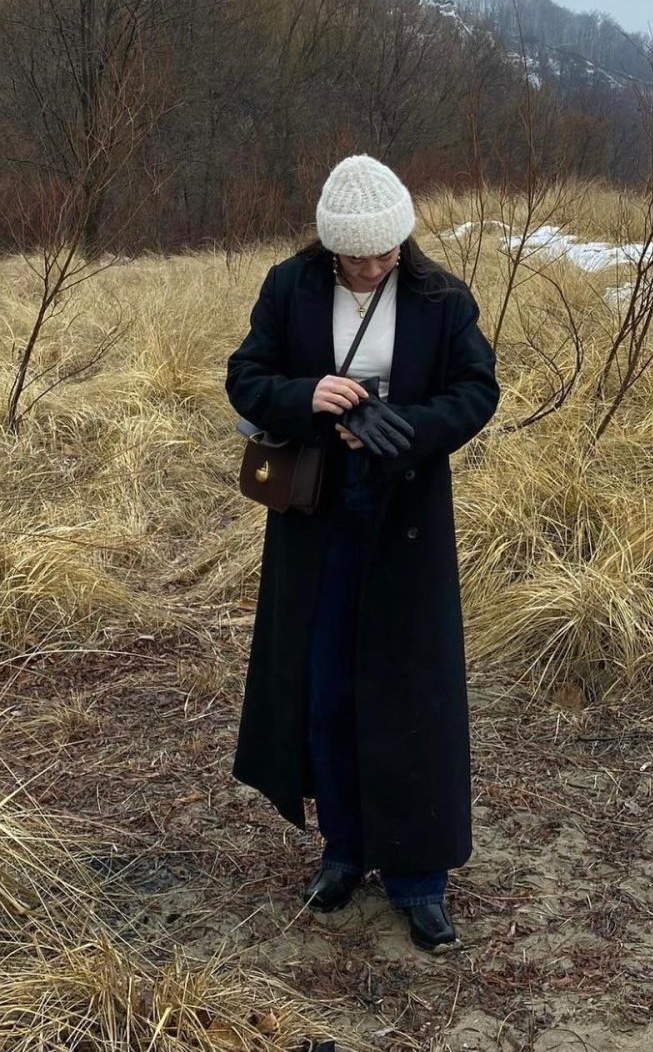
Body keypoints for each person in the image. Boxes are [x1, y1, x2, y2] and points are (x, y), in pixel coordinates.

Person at [225, 154, 500, 952]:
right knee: (328, 685)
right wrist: (306, 398)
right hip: (315, 517)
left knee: (411, 695)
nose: (370, 267)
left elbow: (478, 391)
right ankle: (343, 851)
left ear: (402, 241)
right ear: (330, 246)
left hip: (405, 516)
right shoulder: (291, 287)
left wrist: (403, 431)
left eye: (382, 253)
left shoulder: (442, 297)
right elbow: (247, 377)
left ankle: (421, 880)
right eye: (355, 256)